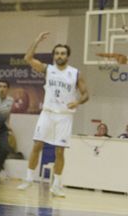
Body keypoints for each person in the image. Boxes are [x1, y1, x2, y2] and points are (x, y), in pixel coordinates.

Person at [16, 32, 89, 198]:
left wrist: (77, 102)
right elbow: (28, 58)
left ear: (68, 56)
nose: (60, 55)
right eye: (57, 53)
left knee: (60, 152)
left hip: (64, 115)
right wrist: (36, 40)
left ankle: (57, 185)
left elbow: (86, 94)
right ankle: (28, 178)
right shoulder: (48, 69)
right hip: (48, 113)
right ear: (54, 56)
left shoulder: (76, 73)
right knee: (37, 146)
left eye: (63, 53)